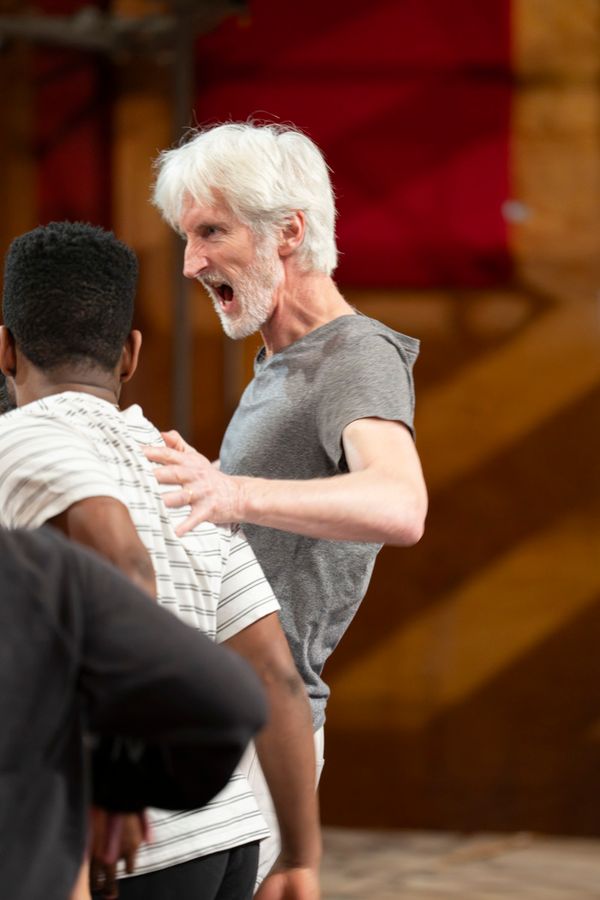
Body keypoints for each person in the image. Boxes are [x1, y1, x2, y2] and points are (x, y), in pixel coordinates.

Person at [0, 221, 320, 900]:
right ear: (130, 355)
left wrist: (118, 785)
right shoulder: (181, 471)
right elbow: (275, 675)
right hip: (228, 836)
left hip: (125, 843)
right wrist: (298, 855)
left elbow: (125, 568)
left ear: (5, 348)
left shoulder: (19, 441)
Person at [149, 121, 429, 877]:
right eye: (187, 237)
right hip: (227, 716)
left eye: (212, 232)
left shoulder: (354, 353)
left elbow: (401, 503)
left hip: (262, 728)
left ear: (289, 233)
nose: (190, 263)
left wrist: (232, 491)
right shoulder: (282, 361)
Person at [0, 524, 267, 900]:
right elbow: (268, 678)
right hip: (222, 821)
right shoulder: (37, 562)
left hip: (158, 842)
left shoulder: (40, 532)